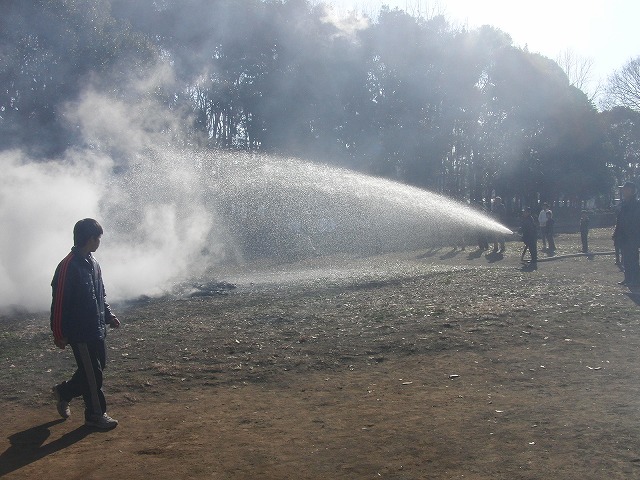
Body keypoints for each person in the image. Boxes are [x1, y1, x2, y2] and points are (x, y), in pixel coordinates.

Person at [50, 218, 121, 429]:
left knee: (95, 370)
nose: (99, 242)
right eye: (98, 238)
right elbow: (59, 302)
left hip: (96, 328)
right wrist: (59, 333)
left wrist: (108, 315)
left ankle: (64, 392)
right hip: (80, 332)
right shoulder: (68, 266)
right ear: (89, 239)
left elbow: (100, 295)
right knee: (93, 375)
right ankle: (95, 415)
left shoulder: (94, 264)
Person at [612, 182, 640, 286]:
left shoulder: (636, 204)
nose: (624, 191)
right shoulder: (623, 204)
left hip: (632, 236)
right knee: (625, 259)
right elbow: (619, 221)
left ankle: (636, 280)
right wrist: (616, 234)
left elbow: (636, 221)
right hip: (623, 236)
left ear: (632, 190)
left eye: (626, 189)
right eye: (623, 189)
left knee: (633, 259)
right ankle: (628, 278)